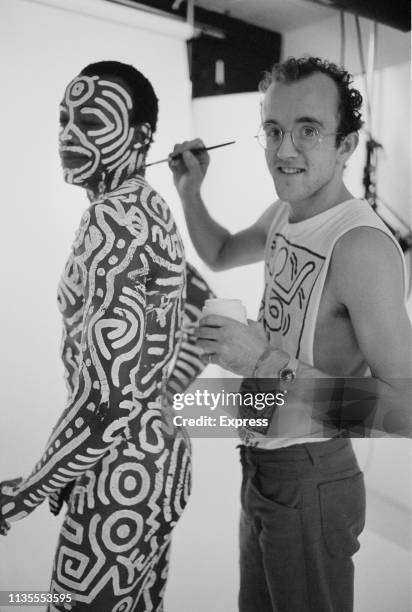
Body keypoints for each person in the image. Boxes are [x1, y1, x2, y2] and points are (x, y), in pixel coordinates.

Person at [169, 56, 412, 611]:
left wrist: (261, 359)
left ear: (346, 144)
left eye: (308, 130)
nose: (285, 150)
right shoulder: (286, 210)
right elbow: (222, 250)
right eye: (275, 130)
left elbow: (406, 408)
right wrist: (190, 191)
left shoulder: (362, 248)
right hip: (262, 466)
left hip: (312, 477)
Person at [0, 60, 214, 611]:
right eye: (65, 119)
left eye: (92, 121)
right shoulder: (151, 207)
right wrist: (161, 395)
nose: (70, 134)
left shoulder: (111, 221)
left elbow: (107, 402)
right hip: (157, 462)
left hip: (121, 471)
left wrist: (26, 492)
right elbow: (197, 299)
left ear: (140, 136)